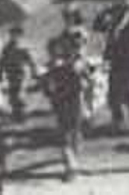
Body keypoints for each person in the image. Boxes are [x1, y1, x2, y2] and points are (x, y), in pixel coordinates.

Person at [40, 35, 86, 180]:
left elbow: (47, 88)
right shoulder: (66, 64)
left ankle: (72, 164)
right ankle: (71, 166)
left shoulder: (58, 65)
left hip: (68, 101)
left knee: (71, 133)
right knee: (69, 134)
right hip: (67, 102)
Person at [102, 5, 129, 131]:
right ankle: (119, 118)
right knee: (115, 94)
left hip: (127, 67)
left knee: (119, 93)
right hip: (115, 66)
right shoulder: (113, 28)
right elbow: (109, 46)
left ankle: (122, 117)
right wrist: (106, 58)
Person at [0, 25, 36, 122]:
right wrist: (0, 74)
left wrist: (33, 72)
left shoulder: (22, 47)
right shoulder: (7, 48)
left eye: (16, 34)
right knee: (13, 95)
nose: (14, 36)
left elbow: (30, 61)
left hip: (20, 73)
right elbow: (2, 62)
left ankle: (21, 115)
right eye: (12, 34)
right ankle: (17, 115)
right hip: (11, 74)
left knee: (19, 94)